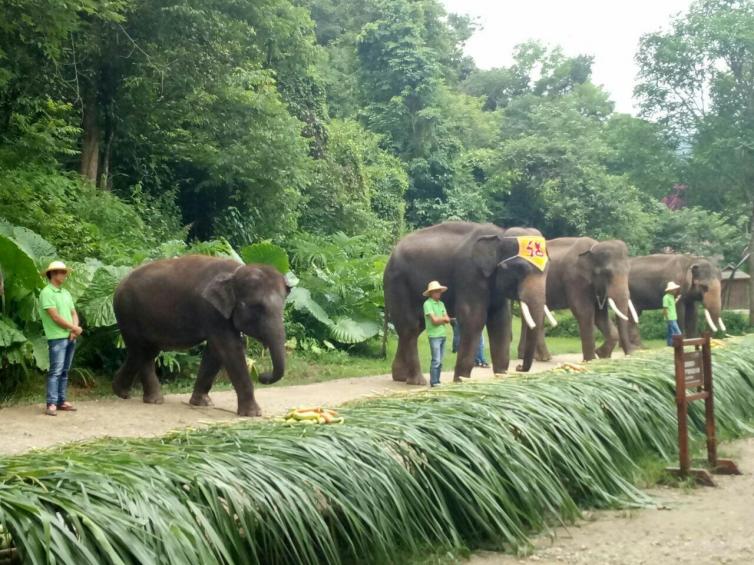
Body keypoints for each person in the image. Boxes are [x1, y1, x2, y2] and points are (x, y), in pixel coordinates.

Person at [39, 261, 82, 416]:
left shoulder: (66, 293)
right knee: (56, 371)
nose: (64, 275)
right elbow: (55, 317)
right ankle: (51, 403)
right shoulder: (47, 293)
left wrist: (74, 329)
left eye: (64, 272)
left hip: (70, 336)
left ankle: (61, 401)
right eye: (61, 272)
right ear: (53, 274)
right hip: (57, 338)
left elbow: (73, 313)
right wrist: (74, 328)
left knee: (64, 371)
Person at [422, 281, 453, 387]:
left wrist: (443, 319)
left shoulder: (441, 304)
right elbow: (434, 321)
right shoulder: (427, 304)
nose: (439, 293)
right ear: (431, 293)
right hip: (434, 336)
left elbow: (447, 318)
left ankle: (438, 381)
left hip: (443, 335)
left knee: (440, 361)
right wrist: (443, 319)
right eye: (436, 291)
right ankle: (434, 382)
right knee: (436, 360)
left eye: (439, 291)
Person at [663, 281, 682, 346]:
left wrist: (677, 298)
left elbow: (673, 303)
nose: (675, 291)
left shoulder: (671, 297)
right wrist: (667, 318)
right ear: (670, 290)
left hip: (673, 317)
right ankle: (680, 345)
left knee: (670, 332)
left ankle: (669, 344)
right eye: (674, 289)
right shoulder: (666, 297)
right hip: (670, 318)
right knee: (678, 332)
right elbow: (665, 308)